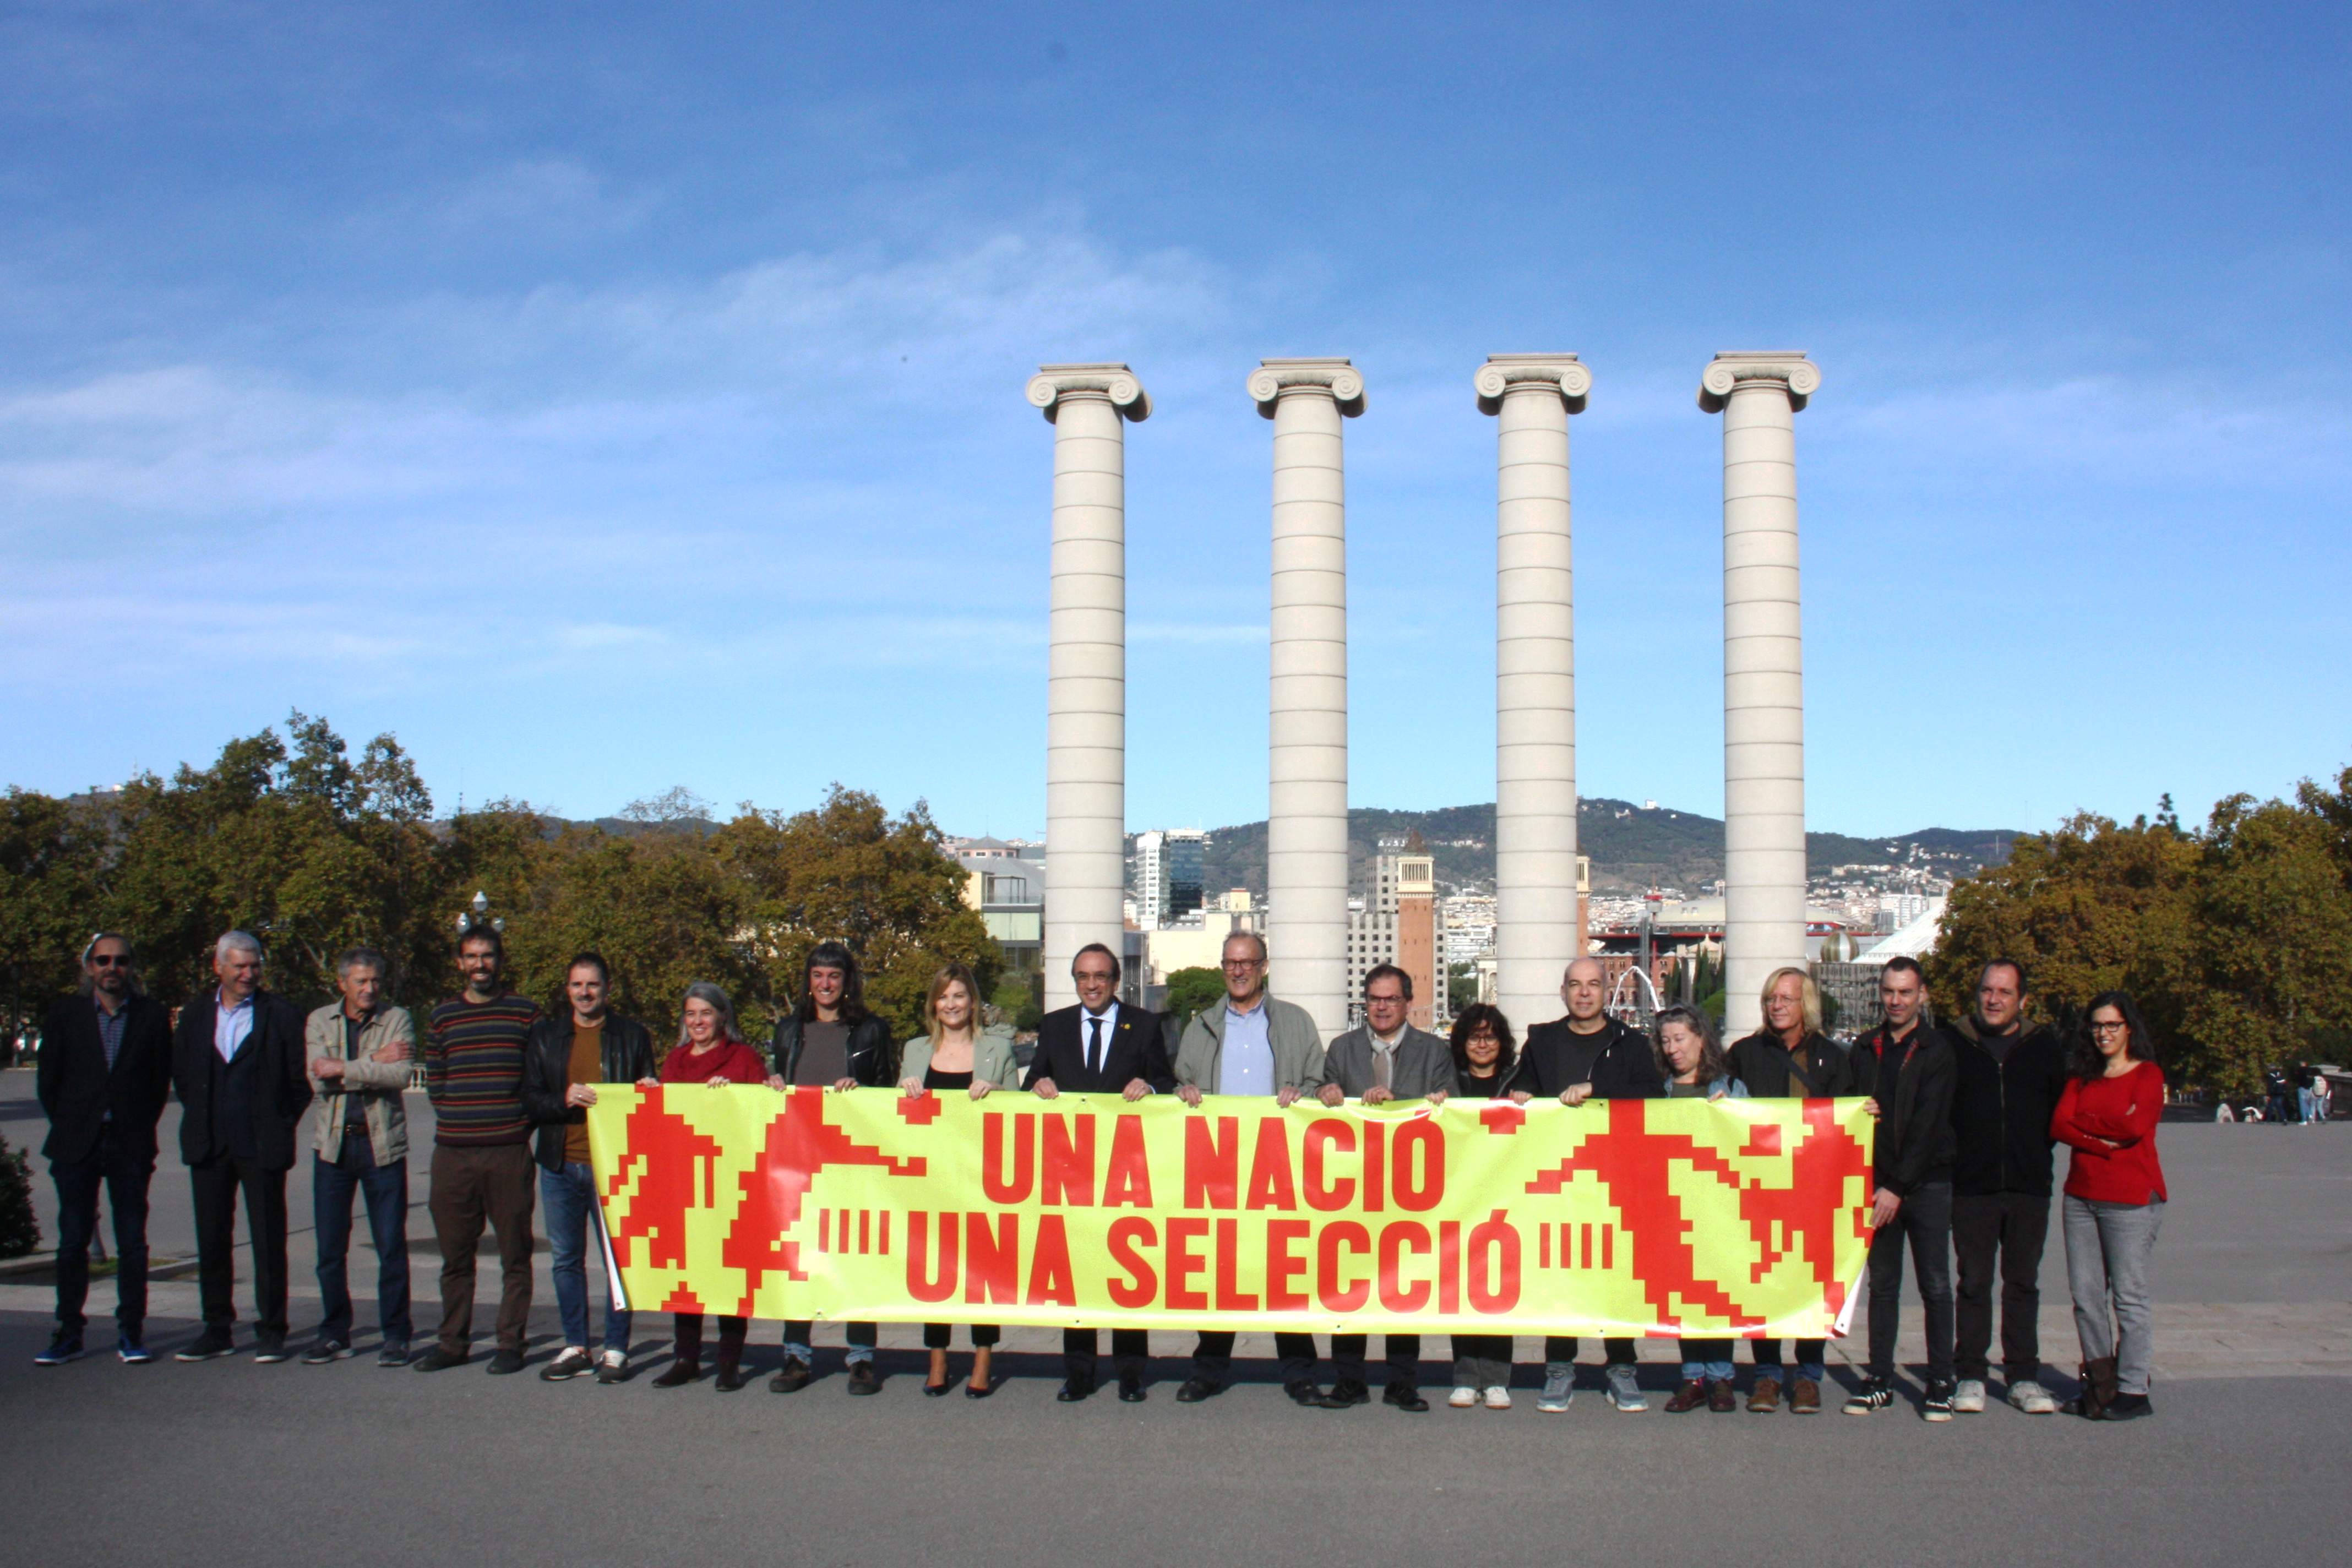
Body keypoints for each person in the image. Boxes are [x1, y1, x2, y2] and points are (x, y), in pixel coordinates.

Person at [1172, 931, 1342, 1407]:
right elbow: (1181, 1082)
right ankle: (1207, 1370)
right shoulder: (1201, 1025)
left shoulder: (1295, 1022)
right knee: (1218, 1272)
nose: (1238, 971)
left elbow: (1318, 1081)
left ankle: (1300, 1375)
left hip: (1278, 1167)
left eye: (1247, 963)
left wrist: (1303, 1094)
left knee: (1285, 1272)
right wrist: (1183, 1093)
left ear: (1265, 967)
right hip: (1218, 1168)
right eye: (1230, 963)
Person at [1506, 954, 1664, 1413]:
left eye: (1593, 984)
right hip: (1560, 1181)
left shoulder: (1630, 1043)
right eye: (1575, 985)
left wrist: (1600, 1091)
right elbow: (1519, 1088)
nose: (1584, 993)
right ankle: (1559, 1369)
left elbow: (1654, 1099)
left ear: (1605, 989)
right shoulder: (1542, 1041)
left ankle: (1621, 1367)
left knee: (1619, 1278)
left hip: (1617, 1179)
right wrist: (1519, 1094)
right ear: (1563, 991)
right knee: (1563, 1276)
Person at [1024, 942, 1173, 1402]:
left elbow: (1166, 1083)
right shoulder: (1055, 1025)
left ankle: (1131, 1373)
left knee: (1129, 1274)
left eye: (1100, 977)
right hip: (1072, 1174)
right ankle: (1080, 1372)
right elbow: (1031, 1082)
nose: (1091, 985)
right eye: (1083, 977)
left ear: (1115, 981)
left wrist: (1147, 1085)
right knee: (1079, 1277)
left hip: (1128, 1172)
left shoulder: (1145, 1025)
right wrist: (1039, 1085)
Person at [170, 931, 312, 1362]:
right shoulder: (195, 1016)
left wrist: (279, 1120)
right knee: (212, 1239)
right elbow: (183, 1076)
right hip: (210, 1143)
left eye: (254, 966)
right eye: (239, 967)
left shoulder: (282, 1015)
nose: (249, 974)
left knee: (268, 1239)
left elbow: (298, 1081)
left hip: (261, 1144)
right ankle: (217, 1328)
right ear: (219, 967)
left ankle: (272, 1329)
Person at [1317, 963, 1453, 1413]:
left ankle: (1402, 1382)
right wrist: (1329, 1093)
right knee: (1350, 1289)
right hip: (1353, 1187)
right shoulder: (1341, 1049)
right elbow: (1320, 1096)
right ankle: (1349, 1380)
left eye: (1390, 999)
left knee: (1402, 1291)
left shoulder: (1434, 1051)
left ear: (1407, 1003)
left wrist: (1430, 1103)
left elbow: (1454, 1107)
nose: (1381, 1007)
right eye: (1374, 999)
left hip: (1409, 1188)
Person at [34, 934, 172, 1366]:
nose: (113, 967)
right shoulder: (65, 1015)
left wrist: (135, 1124)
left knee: (133, 1242)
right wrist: (75, 1123)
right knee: (73, 1242)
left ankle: (131, 1332)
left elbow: (158, 1083)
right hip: (78, 1144)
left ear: (132, 967)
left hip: (129, 1144)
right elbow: (48, 1083)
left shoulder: (150, 1016)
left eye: (121, 960)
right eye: (103, 960)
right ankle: (68, 1332)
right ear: (89, 967)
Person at [764, 940, 895, 1393]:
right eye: (818, 976)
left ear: (847, 982)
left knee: (856, 1260)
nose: (825, 984)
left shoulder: (871, 1031)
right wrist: (772, 1084)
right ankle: (796, 1356)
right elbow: (769, 1093)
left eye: (834, 976)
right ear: (808, 981)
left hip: (851, 1164)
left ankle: (861, 1359)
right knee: (797, 1263)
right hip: (796, 1165)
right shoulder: (788, 1030)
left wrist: (862, 1091)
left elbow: (889, 1094)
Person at [1725, 965, 1854, 1412]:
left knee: (1810, 1283)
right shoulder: (1743, 1053)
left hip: (1814, 1189)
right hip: (1760, 1187)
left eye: (1786, 999)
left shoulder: (1834, 1058)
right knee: (1763, 1281)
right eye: (1770, 999)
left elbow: (1846, 1119)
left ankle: (1808, 1375)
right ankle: (1766, 1375)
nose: (1776, 1006)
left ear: (1807, 1007)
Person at [522, 951, 655, 1384]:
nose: (585, 992)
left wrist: (646, 1092)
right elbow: (530, 1100)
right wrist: (563, 1099)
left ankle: (616, 1349)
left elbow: (648, 1103)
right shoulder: (545, 1037)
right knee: (565, 1259)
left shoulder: (633, 1036)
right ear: (567, 990)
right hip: (560, 1164)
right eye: (577, 985)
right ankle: (576, 1344)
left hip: (612, 1166)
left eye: (593, 984)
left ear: (607, 989)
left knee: (618, 1262)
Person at [415, 924, 541, 1375]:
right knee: (455, 1257)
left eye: (487, 956)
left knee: (515, 1254)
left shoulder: (525, 1013)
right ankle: (452, 1342)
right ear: (460, 963)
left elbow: (537, 1076)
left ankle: (511, 1342)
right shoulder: (443, 1016)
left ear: (499, 961)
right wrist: (456, 1113)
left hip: (507, 1151)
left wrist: (516, 1121)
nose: (479, 964)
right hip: (453, 1153)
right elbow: (437, 1078)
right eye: (471, 956)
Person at [1946, 958, 2069, 1415]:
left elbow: (2062, 1108)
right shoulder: (1954, 1044)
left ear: (2023, 1000)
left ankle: (2023, 1377)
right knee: (1973, 1283)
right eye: (1986, 990)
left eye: (2004, 992)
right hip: (1971, 1185)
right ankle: (1971, 1376)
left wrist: (2036, 1154)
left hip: (2027, 1184)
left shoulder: (2043, 1047)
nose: (1993, 999)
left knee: (2022, 1283)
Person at [903, 962, 1027, 1398]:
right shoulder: (915, 1051)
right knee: (933, 1269)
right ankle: (937, 1355)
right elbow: (892, 1115)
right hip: (933, 1176)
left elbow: (1020, 1112)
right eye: (943, 997)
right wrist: (904, 1091)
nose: (951, 1004)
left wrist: (997, 1092)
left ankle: (982, 1355)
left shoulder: (998, 1050)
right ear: (933, 1005)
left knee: (980, 1270)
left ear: (972, 1002)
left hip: (981, 1175)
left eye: (959, 996)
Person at [1844, 956, 1958, 1419]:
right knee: (1884, 1285)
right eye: (1889, 992)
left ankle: (1940, 1381)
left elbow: (1930, 1125)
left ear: (1921, 995)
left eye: (1905, 993)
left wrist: (1897, 1186)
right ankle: (1879, 1378)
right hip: (1876, 1185)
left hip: (1925, 1184)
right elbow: (1844, 1109)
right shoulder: (1865, 1046)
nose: (1895, 1001)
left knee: (1935, 1283)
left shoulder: (1937, 1049)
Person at [646, 983, 769, 1392]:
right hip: (687, 1181)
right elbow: (662, 1120)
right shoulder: (676, 1061)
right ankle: (687, 1357)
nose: (698, 1022)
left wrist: (735, 1096)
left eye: (706, 1014)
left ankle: (730, 1359)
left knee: (730, 1271)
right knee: (689, 1270)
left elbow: (762, 1114)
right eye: (690, 1014)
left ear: (722, 1017)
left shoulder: (744, 1058)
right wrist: (647, 1097)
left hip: (732, 1180)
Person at [2052, 991, 2168, 1421]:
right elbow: (2060, 1123)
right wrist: (2100, 1140)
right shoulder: (2081, 1076)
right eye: (2097, 1025)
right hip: (2081, 1196)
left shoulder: (2147, 1075)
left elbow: (2136, 1128)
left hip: (2132, 1199)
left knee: (2129, 1297)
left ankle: (2134, 1388)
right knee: (2086, 1297)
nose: (2104, 1033)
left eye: (2112, 1025)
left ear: (2129, 1029)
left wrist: (2087, 1126)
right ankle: (2101, 1385)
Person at [301, 946, 416, 1366]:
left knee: (390, 1246)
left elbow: (400, 1074)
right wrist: (371, 1061)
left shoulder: (397, 1019)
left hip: (381, 1145)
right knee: (330, 1247)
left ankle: (396, 1335)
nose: (370, 989)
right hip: (333, 1147)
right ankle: (334, 1333)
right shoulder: (319, 1020)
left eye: (376, 982)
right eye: (361, 981)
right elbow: (317, 1079)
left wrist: (343, 1067)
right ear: (342, 984)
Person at [1653, 1004, 1747, 1414]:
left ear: (1701, 1040)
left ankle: (1721, 1376)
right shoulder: (1659, 1091)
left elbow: (1759, 1140)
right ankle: (1693, 1376)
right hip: (1674, 1205)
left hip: (1720, 1204)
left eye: (1680, 1039)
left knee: (1718, 1292)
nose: (1672, 1049)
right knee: (1686, 1296)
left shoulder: (1731, 1088)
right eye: (1666, 1041)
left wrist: (1735, 1118)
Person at [1446, 1004, 1518, 1408]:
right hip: (1460, 1196)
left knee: (1497, 1290)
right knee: (1463, 1289)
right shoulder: (1449, 1082)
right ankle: (1464, 1375)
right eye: (1474, 1036)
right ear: (1462, 1043)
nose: (1482, 1044)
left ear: (1502, 1043)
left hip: (1505, 1197)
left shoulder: (1516, 1082)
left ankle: (1496, 1378)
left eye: (1490, 1037)